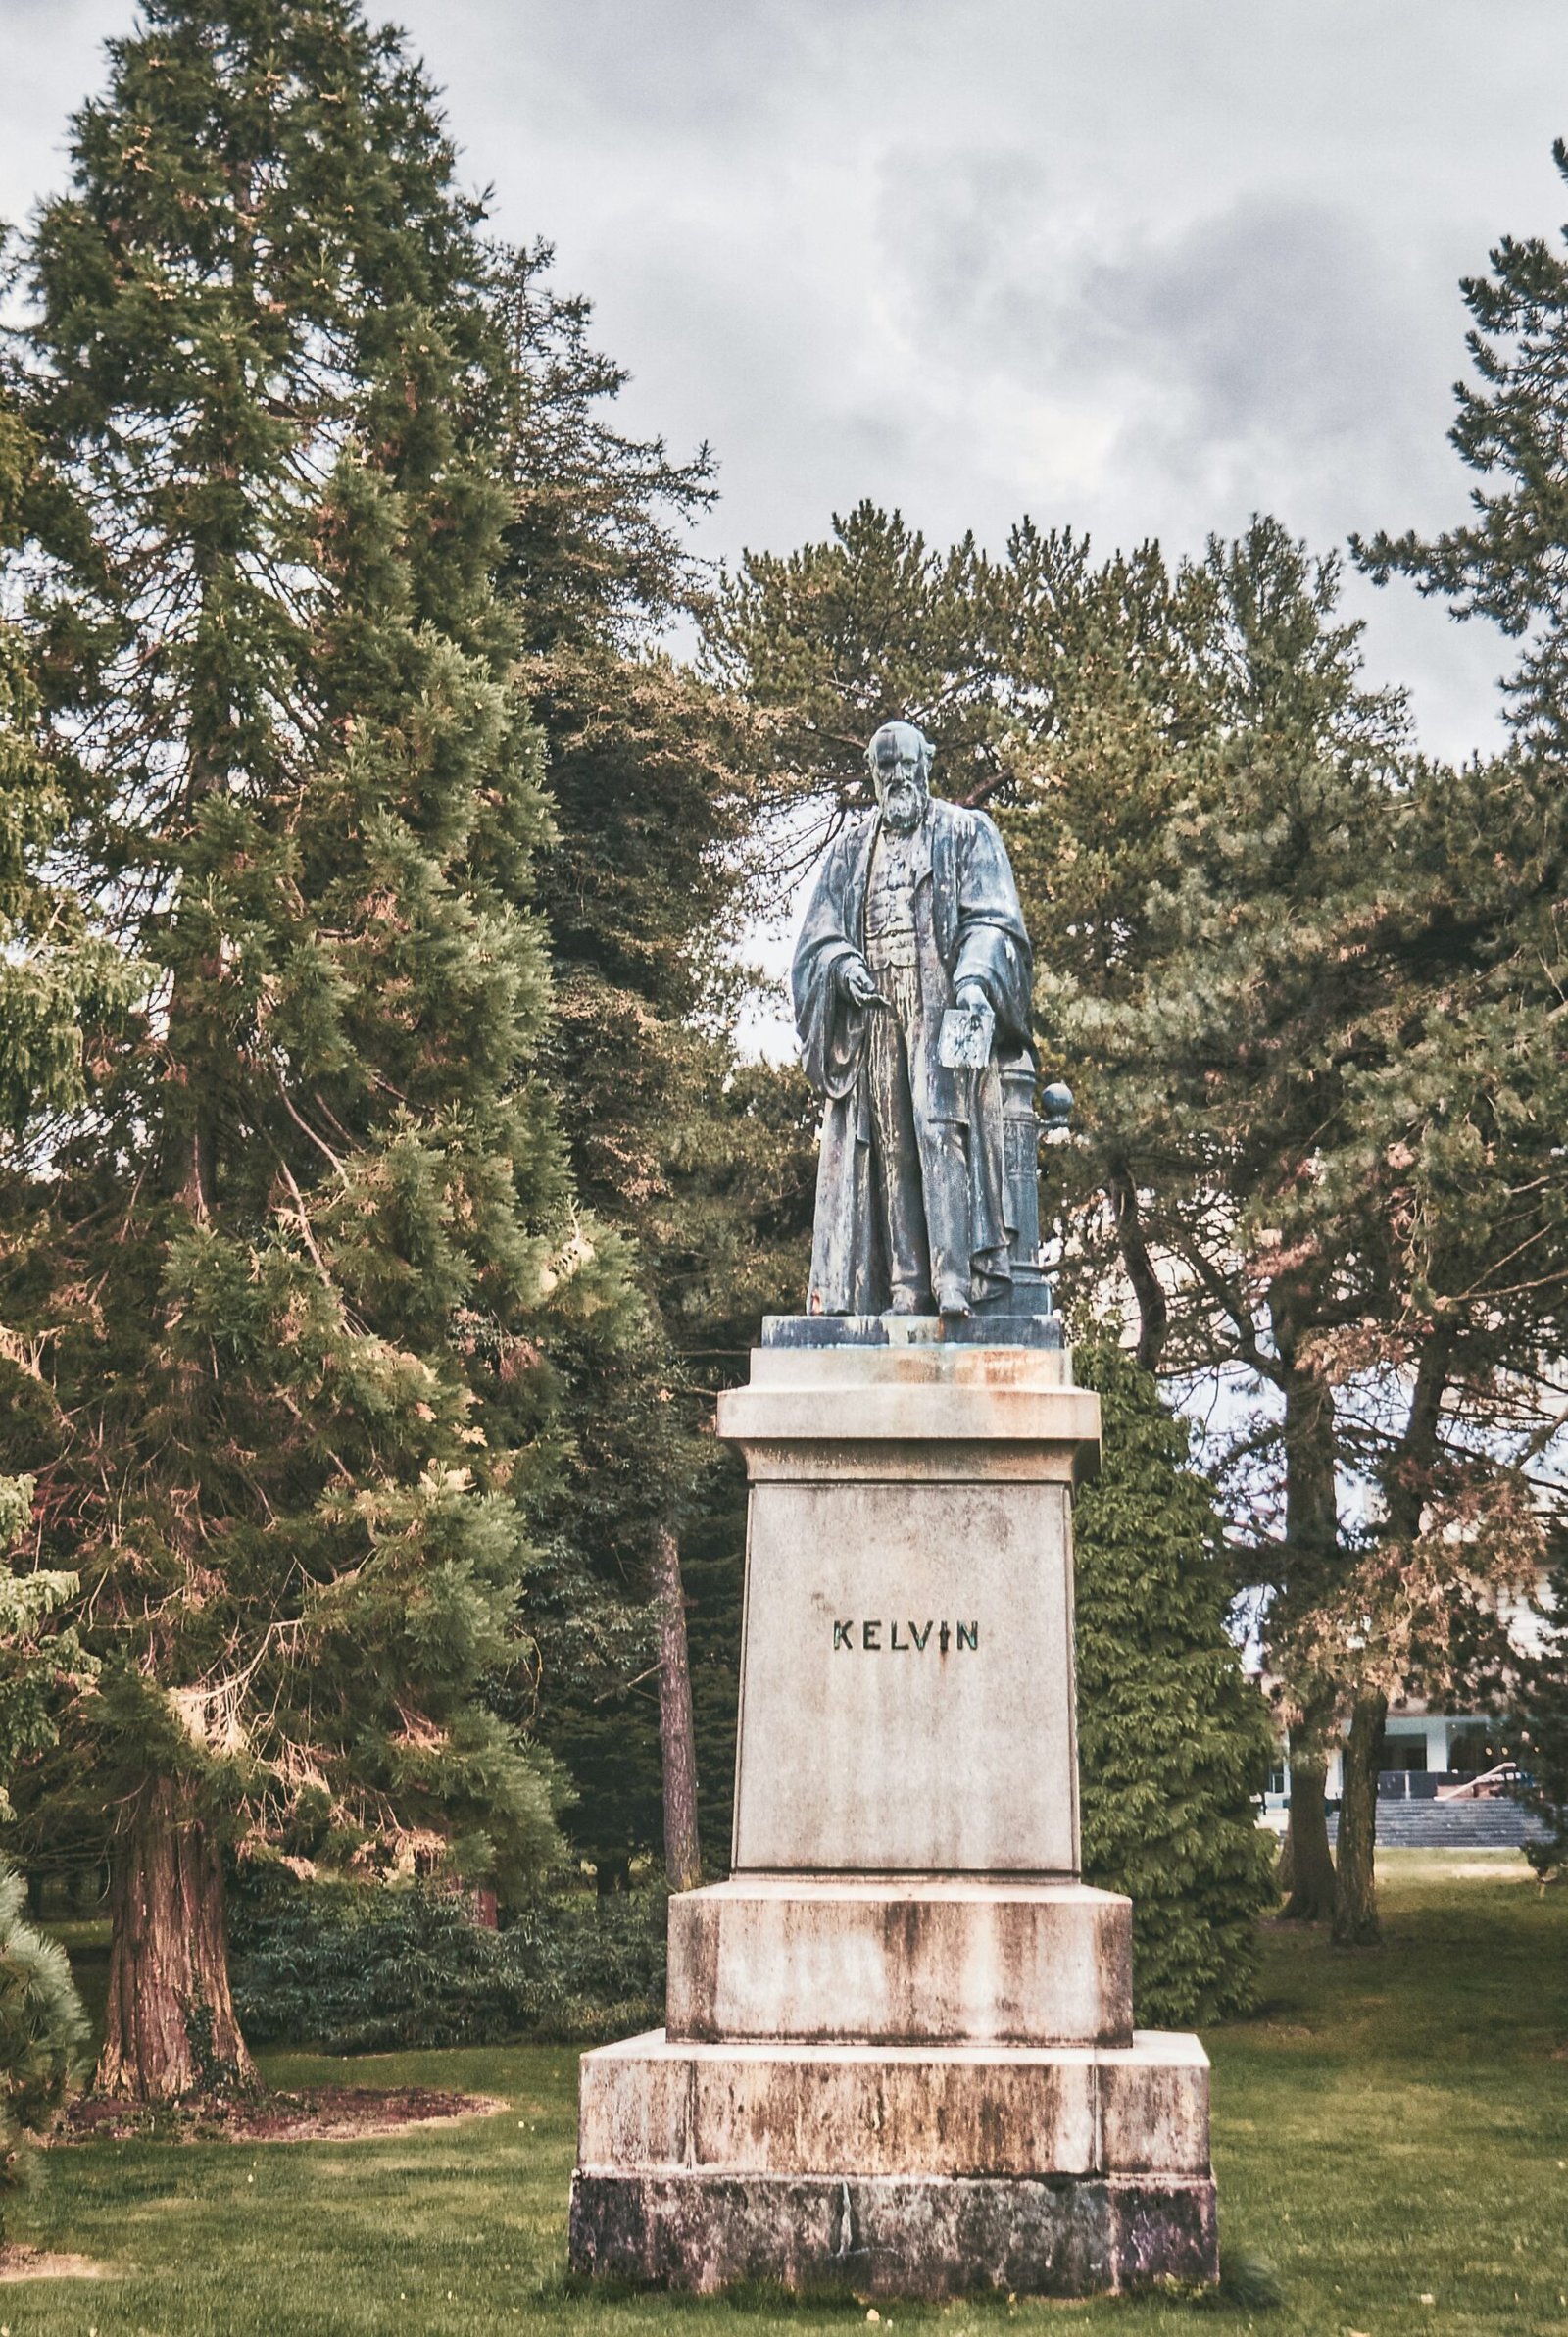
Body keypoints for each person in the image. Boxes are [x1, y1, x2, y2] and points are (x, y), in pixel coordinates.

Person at [792, 720, 1034, 1317]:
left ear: (927, 765)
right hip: (875, 1006)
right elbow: (816, 941)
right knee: (890, 1143)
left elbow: (996, 922)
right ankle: (905, 1287)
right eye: (886, 767)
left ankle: (954, 1279)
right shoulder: (851, 850)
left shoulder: (966, 832)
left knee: (939, 1126)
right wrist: (843, 965)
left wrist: (975, 983)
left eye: (908, 765)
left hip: (939, 999)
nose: (898, 777)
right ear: (874, 775)